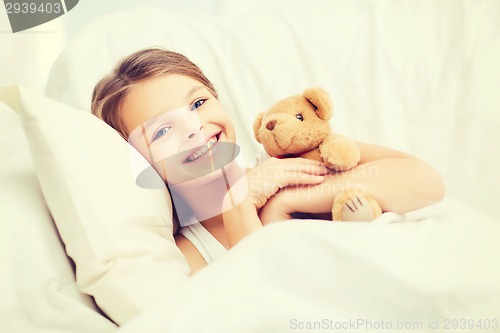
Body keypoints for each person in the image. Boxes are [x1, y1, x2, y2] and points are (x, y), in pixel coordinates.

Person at [91, 48, 445, 274]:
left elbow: (427, 182)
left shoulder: (288, 159)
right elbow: (269, 299)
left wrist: (290, 199)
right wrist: (241, 205)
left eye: (198, 104)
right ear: (137, 161)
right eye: (162, 130)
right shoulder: (190, 255)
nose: (194, 129)